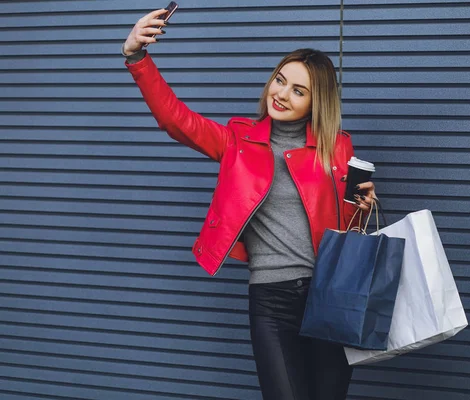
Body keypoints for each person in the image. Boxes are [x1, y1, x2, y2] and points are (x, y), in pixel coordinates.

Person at [122, 8, 378, 400]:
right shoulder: (236, 141)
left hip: (329, 294)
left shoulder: (337, 146)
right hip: (271, 300)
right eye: (280, 80)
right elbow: (177, 120)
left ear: (316, 102)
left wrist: (362, 201)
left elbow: (347, 229)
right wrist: (138, 57)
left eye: (298, 90)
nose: (281, 94)